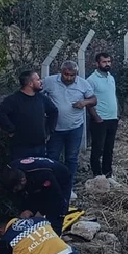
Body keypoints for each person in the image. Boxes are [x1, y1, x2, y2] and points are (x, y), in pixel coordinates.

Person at [43, 61, 96, 198]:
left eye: (72, 75)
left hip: (75, 128)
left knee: (71, 158)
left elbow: (93, 100)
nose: (68, 78)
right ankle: (51, 187)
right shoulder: (50, 81)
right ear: (61, 72)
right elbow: (38, 93)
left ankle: (68, 187)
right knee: (52, 158)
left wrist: (84, 103)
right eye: (66, 74)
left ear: (76, 74)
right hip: (55, 129)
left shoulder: (83, 84)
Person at [0, 70, 59, 162]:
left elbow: (53, 111)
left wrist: (49, 131)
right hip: (20, 147)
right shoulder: (13, 100)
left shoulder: (42, 98)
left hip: (40, 146)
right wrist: (10, 129)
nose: (41, 82)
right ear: (30, 83)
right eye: (38, 80)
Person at [5, 156, 72, 235]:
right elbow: (21, 196)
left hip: (60, 177)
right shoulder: (10, 170)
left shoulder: (43, 175)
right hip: (36, 179)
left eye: (16, 189)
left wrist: (41, 212)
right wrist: (26, 210)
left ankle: (55, 235)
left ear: (23, 180)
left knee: (57, 208)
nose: (14, 191)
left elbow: (54, 196)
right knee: (32, 205)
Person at [86, 52, 119, 183]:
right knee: (97, 148)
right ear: (97, 63)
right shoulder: (91, 80)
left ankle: (108, 174)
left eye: (109, 61)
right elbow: (88, 101)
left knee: (109, 148)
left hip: (112, 118)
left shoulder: (111, 77)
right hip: (100, 119)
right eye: (104, 62)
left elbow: (113, 95)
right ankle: (97, 175)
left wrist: (117, 112)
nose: (107, 64)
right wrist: (96, 117)